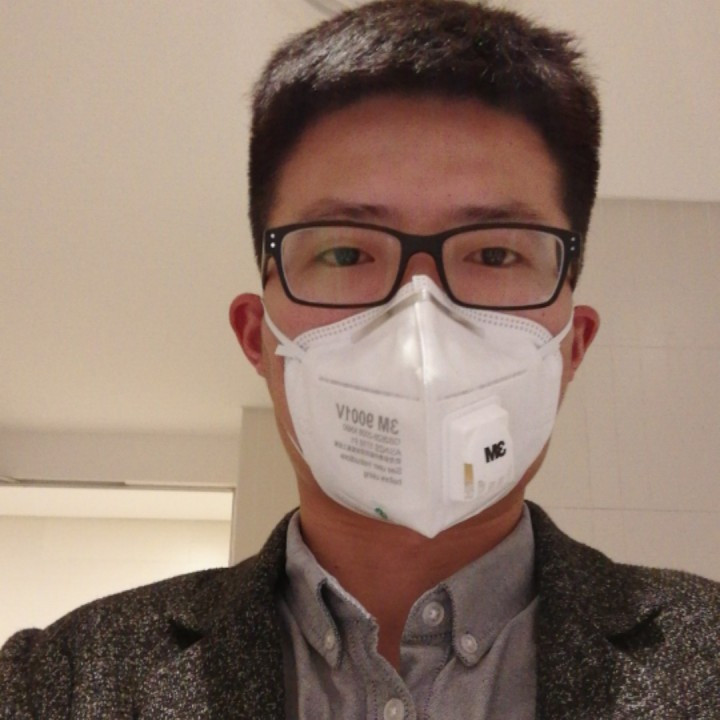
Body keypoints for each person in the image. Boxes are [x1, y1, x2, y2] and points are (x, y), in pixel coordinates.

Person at [1, 1, 718, 717]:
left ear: (572, 347)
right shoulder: (58, 684)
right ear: (258, 339)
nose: (419, 319)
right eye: (345, 252)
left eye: (496, 253)